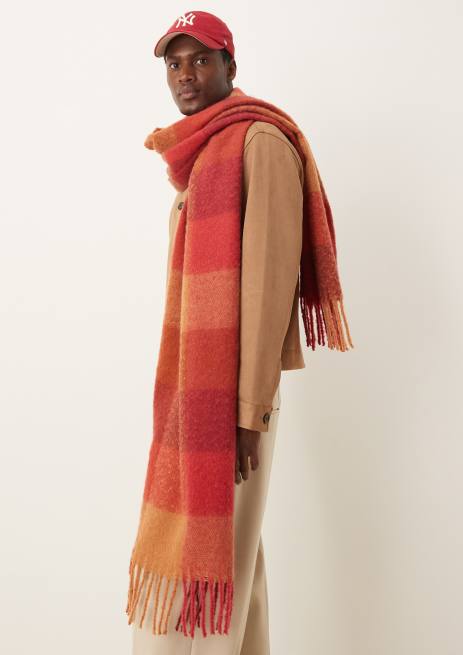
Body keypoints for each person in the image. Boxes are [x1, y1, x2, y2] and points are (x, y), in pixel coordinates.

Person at [127, 10, 353, 655]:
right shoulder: (203, 153)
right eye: (174, 63)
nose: (186, 75)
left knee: (213, 569)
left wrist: (249, 412)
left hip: (233, 399)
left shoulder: (260, 144)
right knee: (238, 563)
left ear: (231, 65)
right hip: (196, 389)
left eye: (201, 60)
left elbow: (268, 288)